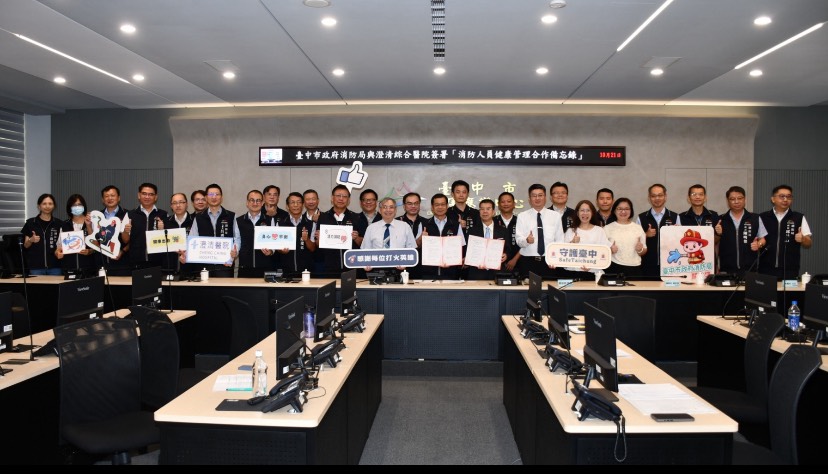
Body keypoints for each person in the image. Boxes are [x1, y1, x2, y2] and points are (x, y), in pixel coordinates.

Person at [183, 183, 240, 278]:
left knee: (225, 288)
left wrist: (235, 252)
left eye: (217, 194)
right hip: (204, 265)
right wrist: (186, 254)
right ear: (206, 197)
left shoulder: (231, 216)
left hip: (225, 265)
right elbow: (192, 240)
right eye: (211, 194)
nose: (214, 197)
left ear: (221, 197)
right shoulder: (199, 218)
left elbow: (237, 238)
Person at [759, 184, 812, 280]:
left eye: (789, 197)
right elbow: (756, 239)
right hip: (765, 269)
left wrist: (803, 239)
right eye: (781, 196)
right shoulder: (762, 217)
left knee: (788, 291)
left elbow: (809, 243)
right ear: (773, 199)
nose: (785, 199)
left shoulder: (798, 217)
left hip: (789, 270)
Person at [515, 183, 564, 279]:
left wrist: (555, 259)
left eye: (540, 195)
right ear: (529, 199)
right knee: (527, 288)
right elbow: (519, 240)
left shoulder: (555, 216)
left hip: (549, 262)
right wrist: (526, 240)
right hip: (528, 262)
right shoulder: (522, 216)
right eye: (534, 196)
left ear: (545, 198)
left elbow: (560, 240)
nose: (537, 198)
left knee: (549, 287)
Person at [715, 186, 766, 276]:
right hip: (726, 269)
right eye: (732, 199)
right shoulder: (721, 219)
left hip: (750, 269)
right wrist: (718, 233)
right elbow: (715, 242)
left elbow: (763, 239)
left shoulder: (755, 218)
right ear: (728, 201)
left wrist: (759, 244)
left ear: (745, 199)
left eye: (740, 198)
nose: (736, 202)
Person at [314, 185, 360, 276]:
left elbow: (362, 243)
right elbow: (318, 244)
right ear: (332, 198)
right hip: (329, 267)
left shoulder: (356, 217)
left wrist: (356, 238)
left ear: (349, 200)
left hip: (351, 266)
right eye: (338, 195)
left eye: (345, 196)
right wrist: (319, 239)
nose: (341, 199)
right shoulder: (323, 217)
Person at [638, 184, 681, 278]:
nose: (657, 198)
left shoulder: (675, 216)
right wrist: (646, 235)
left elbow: (681, 243)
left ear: (665, 196)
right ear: (649, 198)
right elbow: (635, 241)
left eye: (660, 195)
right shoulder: (641, 217)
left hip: (670, 265)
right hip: (647, 265)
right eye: (653, 196)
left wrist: (676, 234)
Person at [562, 200, 612, 280]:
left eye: (588, 210)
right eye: (582, 210)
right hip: (572, 272)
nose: (585, 213)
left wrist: (591, 265)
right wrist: (572, 243)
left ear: (592, 213)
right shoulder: (570, 231)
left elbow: (604, 253)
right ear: (577, 213)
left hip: (594, 273)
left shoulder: (599, 230)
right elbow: (562, 253)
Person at [465, 199, 512, 280]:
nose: (485, 211)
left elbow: (509, 248)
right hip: (477, 272)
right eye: (482, 209)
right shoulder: (472, 231)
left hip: (497, 272)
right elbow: (467, 250)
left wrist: (506, 255)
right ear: (479, 212)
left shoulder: (503, 230)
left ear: (493, 212)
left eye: (488, 209)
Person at [421, 193, 465, 280]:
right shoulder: (424, 224)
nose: (440, 207)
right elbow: (417, 246)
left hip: (451, 273)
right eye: (437, 205)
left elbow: (461, 247)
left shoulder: (456, 225)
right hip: (429, 273)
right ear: (432, 207)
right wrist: (421, 239)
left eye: (443, 204)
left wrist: (452, 261)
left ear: (447, 206)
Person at [126, 183, 168, 270]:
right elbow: (125, 240)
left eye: (151, 194)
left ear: (156, 197)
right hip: (136, 262)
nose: (147, 197)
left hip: (158, 262)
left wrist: (162, 230)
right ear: (139, 195)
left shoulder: (164, 215)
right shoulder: (130, 214)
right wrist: (125, 231)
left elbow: (169, 241)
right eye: (144, 194)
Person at [236, 190, 275, 278]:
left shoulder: (269, 220)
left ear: (262, 203)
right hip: (244, 267)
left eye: (258, 200)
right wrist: (234, 252)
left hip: (265, 267)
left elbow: (274, 241)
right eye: (252, 200)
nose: (255, 203)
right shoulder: (239, 221)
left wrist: (271, 251)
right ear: (247, 203)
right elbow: (237, 241)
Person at [21, 193, 63, 275]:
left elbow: (62, 244)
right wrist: (31, 240)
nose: (47, 206)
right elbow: (26, 245)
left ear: (54, 206)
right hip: (36, 267)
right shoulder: (30, 223)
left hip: (55, 266)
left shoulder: (59, 224)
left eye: (50, 204)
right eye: (44, 204)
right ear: (39, 206)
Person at [605, 198, 647, 276]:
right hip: (614, 267)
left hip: (635, 268)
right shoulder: (607, 228)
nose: (623, 211)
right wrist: (609, 250)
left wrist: (640, 250)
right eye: (619, 209)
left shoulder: (638, 228)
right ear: (614, 211)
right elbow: (601, 252)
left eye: (627, 209)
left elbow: (644, 250)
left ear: (631, 211)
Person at [55, 194, 96, 275]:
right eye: (74, 205)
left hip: (89, 268)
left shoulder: (91, 222)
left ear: (84, 206)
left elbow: (97, 245)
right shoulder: (65, 225)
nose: (77, 207)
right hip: (69, 267)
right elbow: (59, 247)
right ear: (69, 207)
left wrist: (90, 251)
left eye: (79, 204)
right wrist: (58, 253)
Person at [277, 192, 316, 274]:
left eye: (298, 202)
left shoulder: (310, 223)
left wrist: (306, 239)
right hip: (285, 269)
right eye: (292, 202)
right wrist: (282, 250)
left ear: (303, 205)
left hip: (306, 270)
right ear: (287, 206)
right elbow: (276, 246)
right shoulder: (280, 223)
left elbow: (312, 248)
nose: (296, 205)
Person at [98, 185, 131, 275]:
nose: (110, 198)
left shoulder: (128, 214)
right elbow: (94, 238)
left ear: (118, 198)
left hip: (123, 263)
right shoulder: (98, 216)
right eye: (106, 196)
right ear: (102, 200)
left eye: (112, 195)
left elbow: (134, 239)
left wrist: (122, 251)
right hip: (102, 263)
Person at [396, 192, 428, 279]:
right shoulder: (396, 222)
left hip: (423, 269)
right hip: (400, 267)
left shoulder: (427, 223)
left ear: (419, 205)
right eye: (409, 204)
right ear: (404, 206)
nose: (413, 206)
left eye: (416, 203)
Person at [163, 193, 194, 275]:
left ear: (186, 204)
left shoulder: (194, 221)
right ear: (171, 206)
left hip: (191, 269)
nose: (178, 205)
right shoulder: (165, 222)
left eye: (181, 202)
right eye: (175, 203)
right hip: (169, 269)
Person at [495, 192, 521, 274]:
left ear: (514, 204)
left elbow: (525, 243)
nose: (506, 204)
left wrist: (514, 259)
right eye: (503, 202)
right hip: (496, 264)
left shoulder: (520, 221)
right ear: (498, 205)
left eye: (509, 201)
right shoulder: (493, 221)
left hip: (518, 263)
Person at [303, 189, 324, 273]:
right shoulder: (300, 219)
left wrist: (318, 221)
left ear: (318, 200)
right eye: (308, 199)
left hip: (322, 261)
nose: (311, 202)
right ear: (304, 202)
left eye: (313, 199)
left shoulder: (327, 217)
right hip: (304, 261)